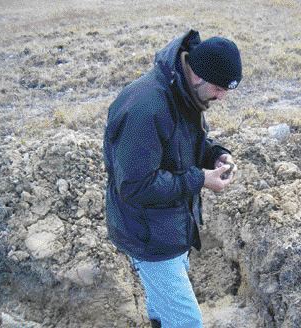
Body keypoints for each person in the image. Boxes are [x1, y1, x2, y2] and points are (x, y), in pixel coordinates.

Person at [103, 29, 242, 328]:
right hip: (148, 236)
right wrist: (200, 179)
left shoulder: (184, 95)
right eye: (219, 88)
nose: (222, 96)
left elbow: (185, 144)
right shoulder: (147, 108)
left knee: (165, 307)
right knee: (187, 322)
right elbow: (135, 185)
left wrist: (215, 155)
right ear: (198, 75)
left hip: (169, 227)